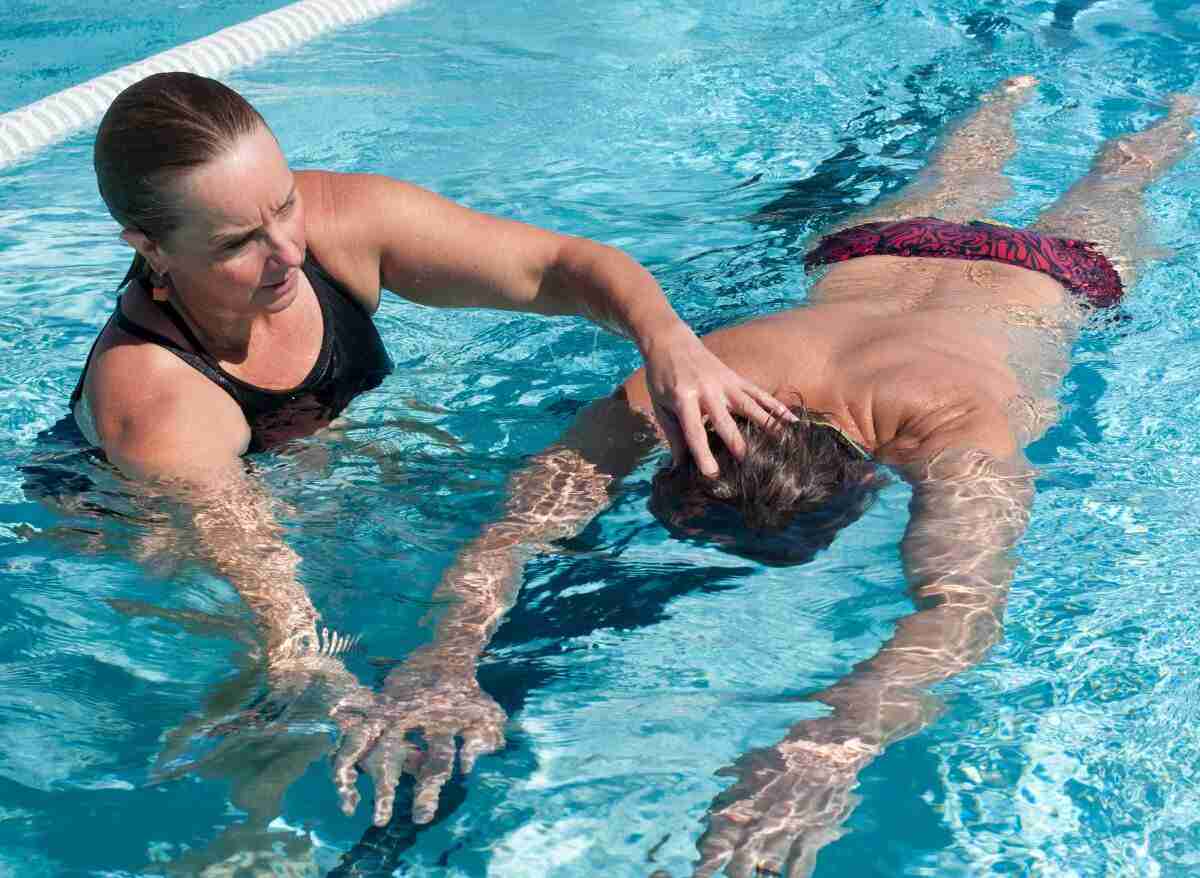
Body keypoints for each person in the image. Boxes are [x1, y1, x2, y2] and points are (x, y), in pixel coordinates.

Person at [376, 77, 1197, 875]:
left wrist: (828, 748)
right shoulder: (694, 389)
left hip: (1000, 266)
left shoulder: (953, 430)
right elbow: (955, 610)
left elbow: (515, 530)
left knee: (1045, 171)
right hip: (904, 254)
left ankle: (1020, 97)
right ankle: (1148, 106)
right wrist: (445, 663)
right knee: (1113, 172)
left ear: (869, 482)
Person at [66, 72, 792, 828]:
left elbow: (560, 267)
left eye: (283, 203)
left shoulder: (341, 223)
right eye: (237, 243)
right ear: (148, 248)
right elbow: (289, 628)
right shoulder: (158, 405)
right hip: (128, 515)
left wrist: (670, 343)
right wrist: (355, 697)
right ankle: (238, 840)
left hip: (297, 459)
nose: (286, 248)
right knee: (268, 690)